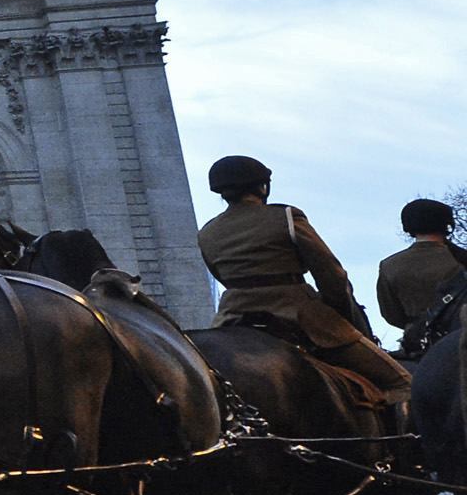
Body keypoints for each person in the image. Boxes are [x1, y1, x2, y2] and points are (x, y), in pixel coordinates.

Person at [196, 156, 408, 410]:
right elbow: (331, 273)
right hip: (298, 313)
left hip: (232, 319)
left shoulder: (207, 232)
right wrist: (339, 311)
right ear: (263, 187)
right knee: (402, 382)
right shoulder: (285, 216)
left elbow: (221, 275)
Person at [376, 199, 467, 359]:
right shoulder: (462, 261)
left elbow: (391, 315)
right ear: (447, 225)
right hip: (461, 342)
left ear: (408, 227)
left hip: (417, 348)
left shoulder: (389, 265)